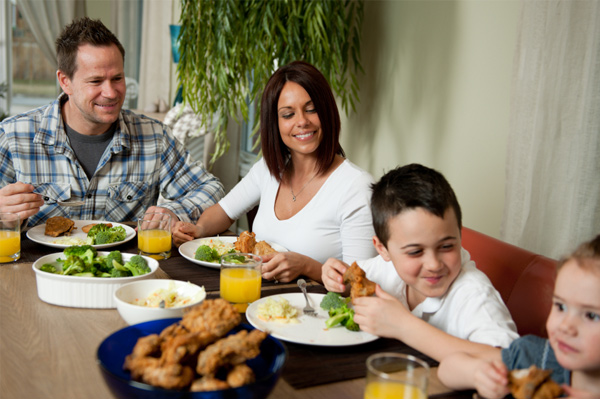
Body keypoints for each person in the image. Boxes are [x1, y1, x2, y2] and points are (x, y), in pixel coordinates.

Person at [0, 17, 224, 228]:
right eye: (96, 81)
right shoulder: (13, 135)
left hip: (126, 268)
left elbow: (211, 189)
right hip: (36, 267)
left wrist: (174, 212)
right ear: (65, 82)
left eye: (117, 78)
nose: (110, 92)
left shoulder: (154, 136)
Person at [172, 61, 377, 283]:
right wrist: (198, 230)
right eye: (288, 114)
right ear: (275, 123)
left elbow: (360, 284)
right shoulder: (268, 170)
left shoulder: (356, 187)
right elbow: (222, 212)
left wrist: (306, 266)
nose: (302, 122)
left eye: (312, 109)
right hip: (262, 304)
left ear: (327, 111)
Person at [322, 163, 519, 362]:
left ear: (459, 233)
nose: (434, 264)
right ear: (383, 249)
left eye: (446, 246)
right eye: (416, 252)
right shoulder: (386, 267)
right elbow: (350, 278)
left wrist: (404, 326)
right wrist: (335, 276)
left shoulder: (476, 297)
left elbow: (509, 363)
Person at [438, 234, 600, 399]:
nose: (565, 326)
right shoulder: (534, 356)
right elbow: (448, 367)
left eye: (592, 316)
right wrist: (478, 373)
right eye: (561, 306)